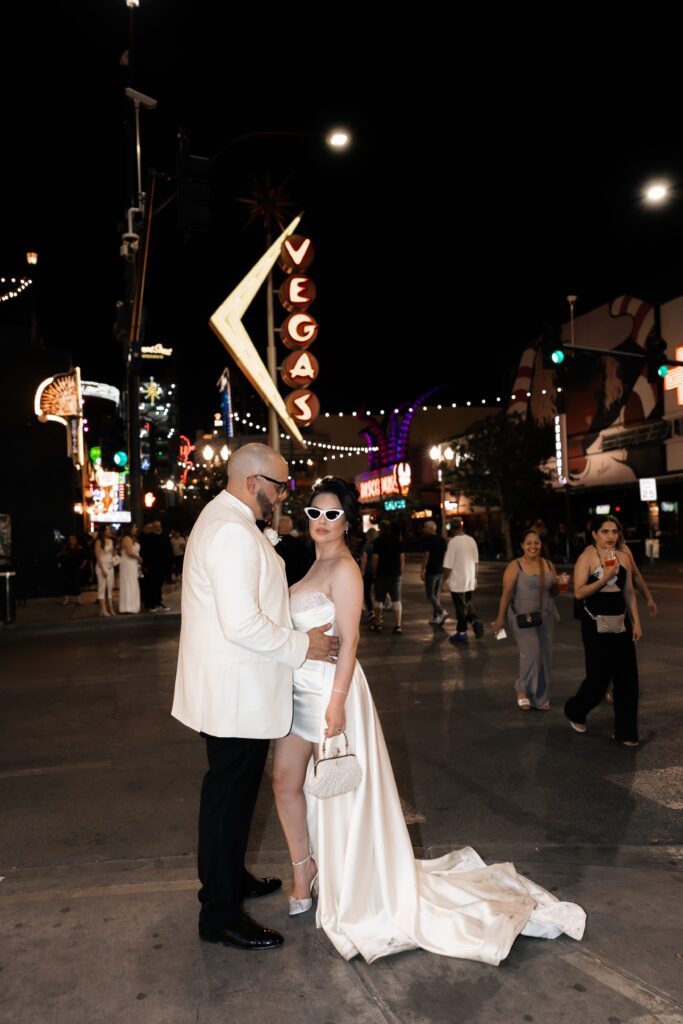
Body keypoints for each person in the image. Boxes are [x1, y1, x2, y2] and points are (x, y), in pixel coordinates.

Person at [272, 477, 586, 964]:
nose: (321, 522)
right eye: (314, 513)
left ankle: (348, 883)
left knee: (337, 795)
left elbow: (350, 642)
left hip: (332, 692)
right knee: (285, 780)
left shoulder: (347, 571)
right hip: (297, 691)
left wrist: (336, 703)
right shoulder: (313, 564)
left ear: (348, 522)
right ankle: (304, 868)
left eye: (332, 515)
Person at [171, 443, 339, 952]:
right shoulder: (229, 531)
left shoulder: (230, 521)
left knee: (230, 800)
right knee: (228, 802)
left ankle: (229, 880)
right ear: (252, 483)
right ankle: (219, 913)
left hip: (231, 691)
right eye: (280, 485)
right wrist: (303, 645)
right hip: (234, 695)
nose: (284, 495)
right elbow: (241, 623)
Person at [564, 516, 642, 746]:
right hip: (594, 620)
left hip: (620, 619)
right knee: (598, 678)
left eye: (614, 532)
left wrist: (636, 621)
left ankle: (626, 731)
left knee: (627, 677)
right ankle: (575, 709)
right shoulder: (586, 558)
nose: (610, 536)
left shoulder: (624, 557)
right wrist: (603, 579)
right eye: (605, 531)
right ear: (595, 535)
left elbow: (629, 592)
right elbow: (579, 592)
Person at [490, 529, 569, 710]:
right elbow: (506, 594)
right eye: (529, 543)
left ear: (541, 545)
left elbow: (554, 592)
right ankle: (523, 689)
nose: (533, 546)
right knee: (531, 653)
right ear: (522, 546)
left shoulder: (548, 565)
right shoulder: (515, 566)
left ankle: (541, 697)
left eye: (536, 543)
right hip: (522, 614)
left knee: (546, 656)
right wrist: (500, 619)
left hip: (546, 613)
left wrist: (560, 583)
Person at [441, 518, 483, 644]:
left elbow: (448, 565)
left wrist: (444, 581)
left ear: (451, 529)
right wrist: (475, 578)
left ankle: (462, 632)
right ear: (462, 526)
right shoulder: (471, 540)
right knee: (468, 603)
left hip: (457, 581)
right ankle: (475, 621)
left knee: (460, 607)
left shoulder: (453, 543)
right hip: (469, 579)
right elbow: (476, 562)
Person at [370, 520, 404, 634]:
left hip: (381, 574)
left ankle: (377, 623)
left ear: (380, 528)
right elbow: (402, 557)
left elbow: (375, 558)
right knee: (396, 600)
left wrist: (374, 572)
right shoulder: (397, 540)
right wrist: (400, 570)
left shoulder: (378, 541)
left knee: (378, 599)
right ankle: (398, 625)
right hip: (395, 574)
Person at [139, 519, 173, 611]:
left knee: (159, 584)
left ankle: (159, 602)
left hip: (162, 565)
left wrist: (169, 563)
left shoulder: (164, 536)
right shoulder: (148, 537)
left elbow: (169, 550)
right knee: (151, 585)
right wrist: (145, 565)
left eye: (159, 526)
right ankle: (151, 604)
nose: (158, 528)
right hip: (151, 566)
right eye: (156, 526)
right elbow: (144, 552)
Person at [420, 520, 447, 625]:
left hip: (431, 570)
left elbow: (426, 555)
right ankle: (436, 616)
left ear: (430, 528)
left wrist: (423, 569)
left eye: (425, 527)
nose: (423, 529)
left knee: (430, 595)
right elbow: (445, 555)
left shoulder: (426, 539)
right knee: (436, 594)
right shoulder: (441, 539)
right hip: (440, 570)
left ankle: (441, 611)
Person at [276, 514, 314, 586]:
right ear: (290, 527)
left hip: (277, 582)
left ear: (278, 527)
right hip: (294, 581)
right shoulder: (299, 543)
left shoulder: (273, 543)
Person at [118, 523, 142, 614]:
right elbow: (129, 552)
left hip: (132, 564)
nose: (136, 528)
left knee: (133, 583)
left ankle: (133, 605)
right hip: (128, 563)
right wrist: (138, 558)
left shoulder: (132, 539)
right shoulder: (127, 538)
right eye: (135, 527)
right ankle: (128, 606)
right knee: (128, 583)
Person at [57, 534, 87, 606]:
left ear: (76, 540)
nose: (71, 541)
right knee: (67, 584)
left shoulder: (79, 548)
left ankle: (79, 600)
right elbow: (58, 555)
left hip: (75, 569)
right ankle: (66, 600)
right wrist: (61, 554)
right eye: (70, 539)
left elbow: (86, 557)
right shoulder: (65, 548)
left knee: (76, 584)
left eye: (73, 539)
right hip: (66, 569)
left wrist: (83, 565)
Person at [94, 525, 117, 617]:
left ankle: (110, 608)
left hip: (110, 565)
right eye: (107, 529)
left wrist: (115, 553)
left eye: (109, 529)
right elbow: (98, 557)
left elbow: (112, 554)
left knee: (110, 587)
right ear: (102, 531)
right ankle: (103, 609)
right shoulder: (98, 541)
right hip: (101, 566)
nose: (109, 531)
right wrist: (102, 569)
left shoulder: (111, 541)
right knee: (102, 588)